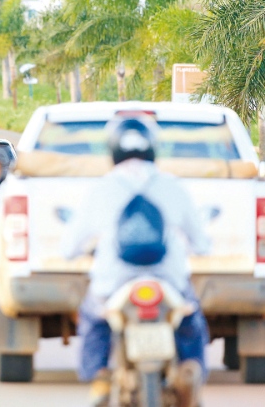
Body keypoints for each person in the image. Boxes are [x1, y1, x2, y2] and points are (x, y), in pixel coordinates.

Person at [62, 115, 210, 407]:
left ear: (113, 149)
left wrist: (75, 253)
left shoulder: (100, 189)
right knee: (189, 318)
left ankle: (100, 378)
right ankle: (190, 370)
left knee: (94, 318)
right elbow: (201, 243)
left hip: (113, 280)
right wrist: (199, 248)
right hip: (168, 278)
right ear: (153, 147)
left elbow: (70, 246)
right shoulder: (173, 186)